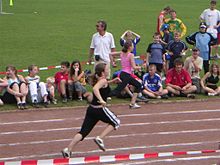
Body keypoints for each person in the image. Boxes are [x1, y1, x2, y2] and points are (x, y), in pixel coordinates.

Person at [61, 63, 120, 158]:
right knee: (116, 121)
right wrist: (101, 100)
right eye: (107, 69)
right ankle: (100, 138)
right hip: (99, 109)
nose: (109, 70)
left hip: (91, 109)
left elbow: (101, 85)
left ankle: (68, 149)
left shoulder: (100, 79)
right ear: (103, 72)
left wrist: (113, 81)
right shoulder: (103, 80)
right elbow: (96, 88)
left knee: (83, 132)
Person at [110, 41, 144, 108]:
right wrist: (142, 67)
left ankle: (132, 103)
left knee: (138, 85)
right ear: (129, 47)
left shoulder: (122, 53)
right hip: (126, 75)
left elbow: (110, 54)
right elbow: (134, 67)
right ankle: (102, 96)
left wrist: (112, 62)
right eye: (132, 46)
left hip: (123, 74)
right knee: (117, 91)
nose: (133, 47)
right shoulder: (131, 55)